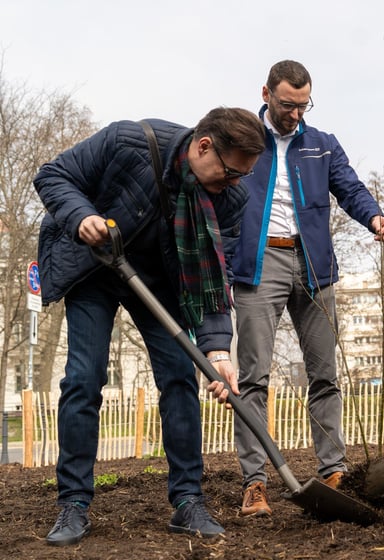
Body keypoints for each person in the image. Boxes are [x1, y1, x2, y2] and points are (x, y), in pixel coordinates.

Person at [33, 107, 266, 546]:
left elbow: (216, 277)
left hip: (161, 283)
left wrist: (218, 352)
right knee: (84, 378)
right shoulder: (128, 141)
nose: (234, 184)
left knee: (180, 378)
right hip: (96, 266)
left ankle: (187, 502)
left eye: (242, 176)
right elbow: (53, 175)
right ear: (203, 147)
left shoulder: (230, 198)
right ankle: (74, 504)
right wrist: (81, 215)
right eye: (230, 173)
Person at [230, 60, 384, 516]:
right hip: (259, 265)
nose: (296, 114)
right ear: (265, 93)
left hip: (314, 265)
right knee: (253, 379)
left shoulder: (322, 145)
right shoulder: (243, 139)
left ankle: (333, 471)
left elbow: (351, 188)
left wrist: (375, 216)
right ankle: (255, 482)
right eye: (287, 105)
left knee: (325, 374)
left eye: (304, 105)